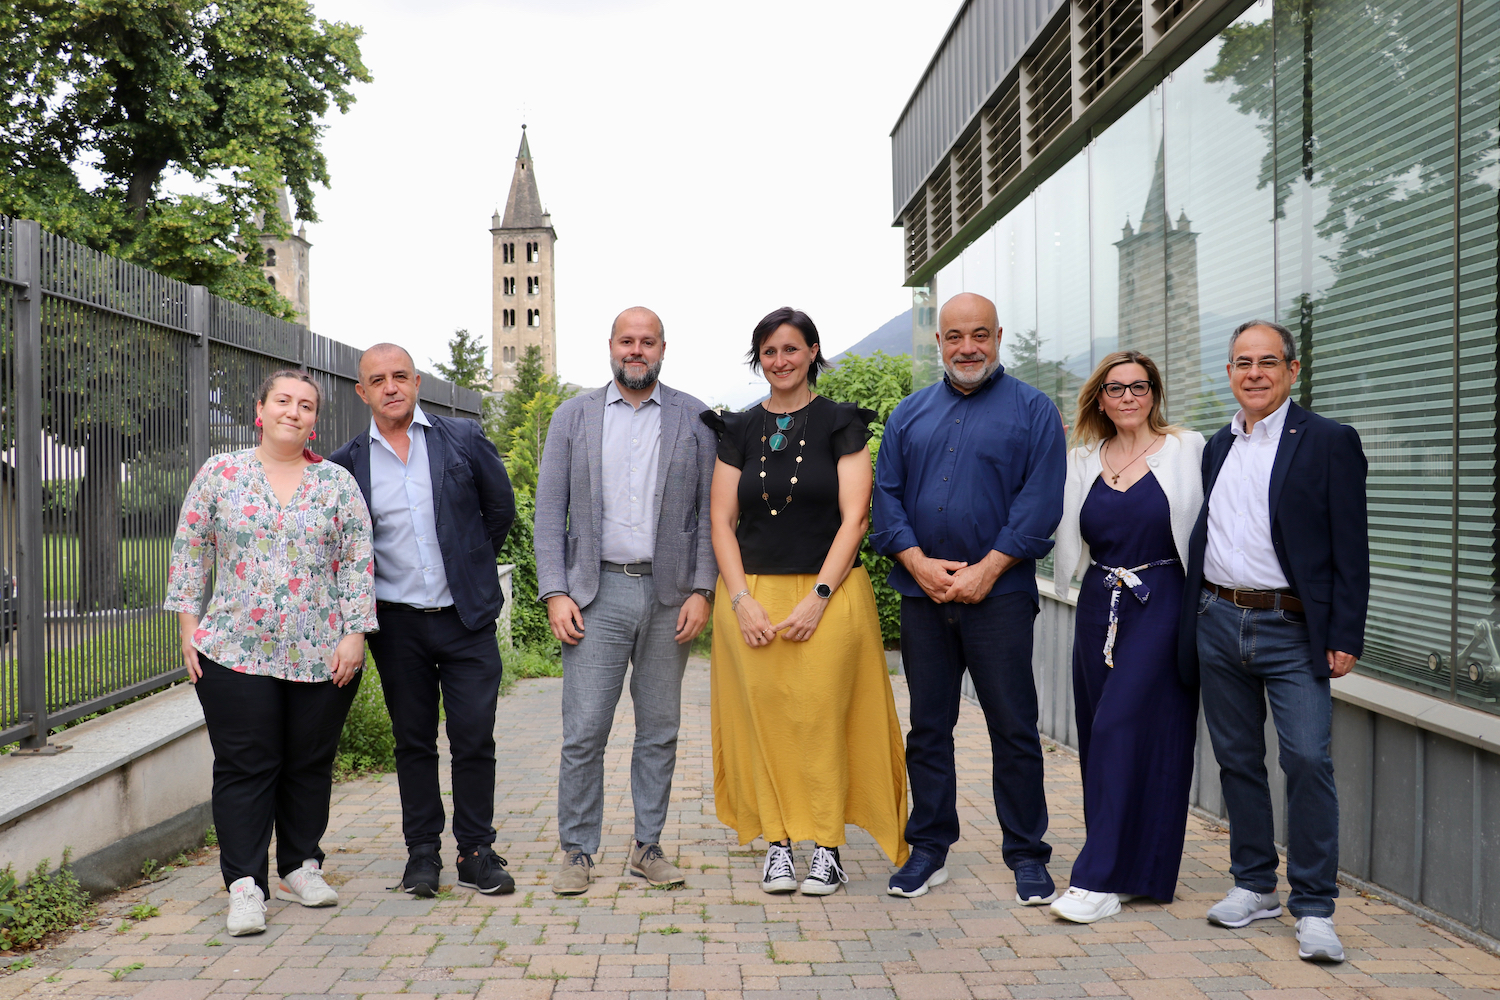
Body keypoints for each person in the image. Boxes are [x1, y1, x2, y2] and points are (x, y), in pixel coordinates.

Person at [701, 306, 908, 896]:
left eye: (791, 349)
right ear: (758, 359)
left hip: (831, 594)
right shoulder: (736, 428)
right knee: (763, 721)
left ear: (813, 351)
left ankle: (827, 846)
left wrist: (820, 594)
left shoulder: (841, 422)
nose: (781, 361)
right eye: (769, 351)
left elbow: (856, 517)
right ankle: (778, 844)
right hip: (751, 593)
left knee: (821, 718)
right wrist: (740, 599)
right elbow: (720, 520)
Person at [1179, 320, 1368, 963]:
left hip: (1293, 630)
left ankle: (1314, 906)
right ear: (1228, 372)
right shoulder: (1216, 446)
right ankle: (1255, 884)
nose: (1253, 373)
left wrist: (1344, 632)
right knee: (1236, 761)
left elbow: (1352, 547)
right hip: (1218, 620)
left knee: (1309, 760)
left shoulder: (1329, 442)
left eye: (1267, 362)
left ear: (1293, 370)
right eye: (1241, 363)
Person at [165, 369, 377, 937]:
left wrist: (354, 633)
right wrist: (189, 627)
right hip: (235, 649)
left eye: (306, 405)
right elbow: (190, 550)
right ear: (259, 409)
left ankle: (300, 867)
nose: (294, 411)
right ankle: (244, 886)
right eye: (283, 401)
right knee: (245, 766)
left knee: (308, 762)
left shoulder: (337, 484)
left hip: (321, 650)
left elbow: (358, 560)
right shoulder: (221, 474)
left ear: (314, 419)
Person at [872, 291, 1065, 902]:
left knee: (1013, 726)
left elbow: (1042, 500)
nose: (967, 347)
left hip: (1000, 595)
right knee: (928, 727)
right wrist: (916, 561)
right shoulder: (908, 414)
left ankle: (1027, 853)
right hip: (924, 595)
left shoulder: (1034, 411)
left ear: (998, 335)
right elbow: (887, 497)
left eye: (979, 334)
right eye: (955, 336)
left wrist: (989, 568)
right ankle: (928, 848)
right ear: (939, 342)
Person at [533, 306, 718, 895]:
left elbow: (714, 514)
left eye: (647, 342)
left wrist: (703, 589)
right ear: (610, 346)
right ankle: (578, 851)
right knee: (584, 728)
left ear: (663, 348)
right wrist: (556, 592)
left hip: (670, 596)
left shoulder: (695, 418)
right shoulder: (573, 416)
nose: (636, 350)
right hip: (595, 593)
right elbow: (546, 513)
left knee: (659, 728)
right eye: (626, 341)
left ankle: (647, 846)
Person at [330, 343, 517, 898]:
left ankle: (476, 851)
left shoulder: (461, 438)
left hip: (466, 620)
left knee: (473, 737)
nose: (391, 387)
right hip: (398, 627)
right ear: (362, 392)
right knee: (413, 741)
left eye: (401, 376)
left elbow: (499, 509)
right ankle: (422, 854)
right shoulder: (347, 465)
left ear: (417, 383)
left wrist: (470, 567)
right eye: (378, 380)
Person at [1047, 351, 1204, 923]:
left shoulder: (1189, 449)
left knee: (1122, 727)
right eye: (1116, 389)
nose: (1129, 397)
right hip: (1098, 602)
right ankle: (1139, 873)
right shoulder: (1084, 457)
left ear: (1155, 394)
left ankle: (1098, 877)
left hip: (1162, 598)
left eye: (1140, 387)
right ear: (1101, 399)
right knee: (1099, 733)